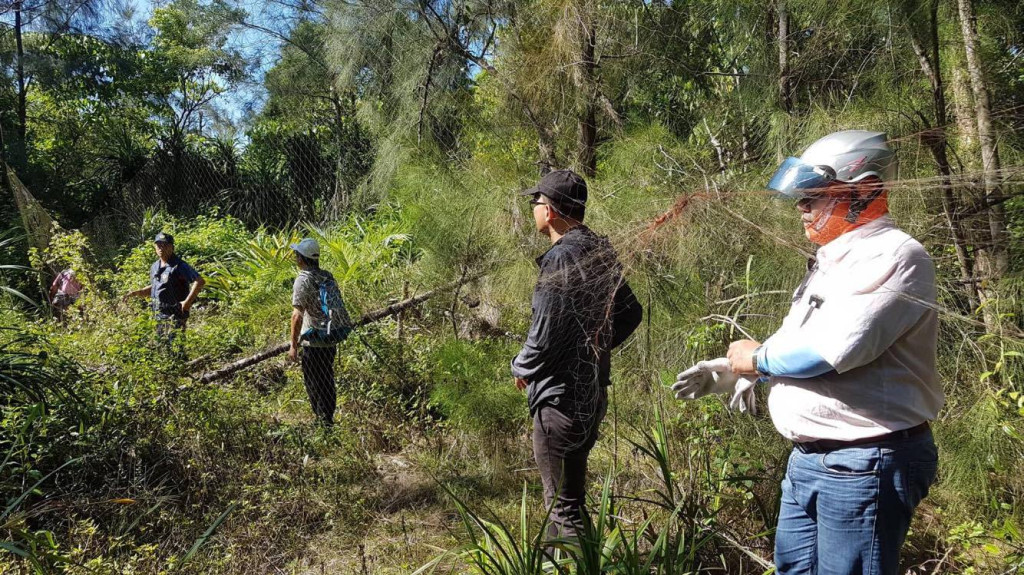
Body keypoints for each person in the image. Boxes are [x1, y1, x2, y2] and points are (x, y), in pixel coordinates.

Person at [672, 131, 943, 575]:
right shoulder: (831, 261)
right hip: (811, 460)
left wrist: (756, 361)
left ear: (865, 191)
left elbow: (833, 350)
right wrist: (736, 370)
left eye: (814, 196)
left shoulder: (895, 254)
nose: (802, 208)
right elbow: (795, 338)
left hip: (863, 461)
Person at [511, 169, 643, 546]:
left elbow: (545, 332)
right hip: (590, 393)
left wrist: (520, 366)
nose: (533, 208)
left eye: (535, 202)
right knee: (568, 501)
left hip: (560, 401)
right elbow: (630, 312)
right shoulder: (598, 250)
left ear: (549, 211)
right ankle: (559, 564)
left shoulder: (561, 257)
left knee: (563, 509)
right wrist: (592, 349)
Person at [288, 238, 352, 427]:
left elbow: (296, 316)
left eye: (296, 254)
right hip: (330, 336)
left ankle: (323, 423)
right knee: (326, 379)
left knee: (314, 382)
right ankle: (327, 419)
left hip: (314, 340)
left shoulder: (303, 279)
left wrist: (293, 346)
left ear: (302, 258)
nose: (295, 257)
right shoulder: (326, 275)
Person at [124, 232, 205, 354]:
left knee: (175, 348)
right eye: (159, 245)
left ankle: (182, 369)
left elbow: (199, 281)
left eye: (165, 245)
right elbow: (158, 286)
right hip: (158, 313)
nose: (161, 248)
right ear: (155, 248)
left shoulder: (179, 266)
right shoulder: (155, 266)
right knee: (162, 347)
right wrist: (137, 293)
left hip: (175, 313)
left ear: (172, 247)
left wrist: (187, 303)